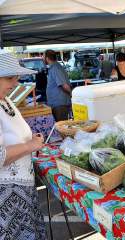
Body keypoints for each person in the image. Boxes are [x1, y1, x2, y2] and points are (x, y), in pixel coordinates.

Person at [0, 50, 46, 239]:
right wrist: (30, 146)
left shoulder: (5, 100)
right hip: (8, 195)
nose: (15, 83)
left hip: (22, 189)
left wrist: (29, 140)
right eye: (10, 78)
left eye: (16, 77)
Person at [44, 49, 72, 122]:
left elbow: (64, 85)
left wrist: (72, 94)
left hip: (60, 104)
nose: (42, 58)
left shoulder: (55, 68)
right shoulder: (54, 67)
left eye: (43, 56)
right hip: (57, 103)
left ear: (47, 58)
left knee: (62, 127)